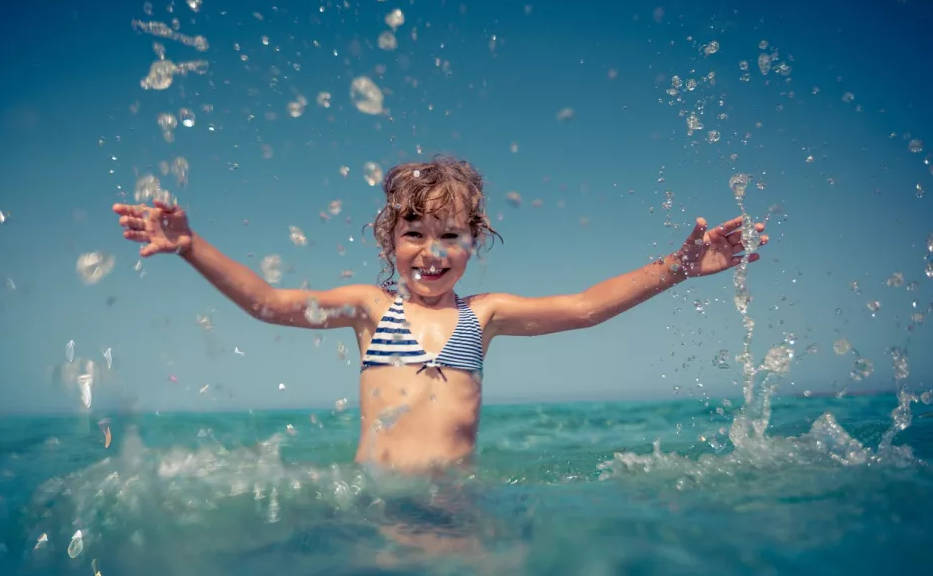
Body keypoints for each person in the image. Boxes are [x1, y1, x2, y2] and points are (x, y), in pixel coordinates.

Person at [113, 156, 767, 474]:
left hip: (455, 506)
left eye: (450, 235)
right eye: (415, 234)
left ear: (473, 242)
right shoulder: (372, 310)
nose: (431, 252)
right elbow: (269, 304)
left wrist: (679, 267)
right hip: (377, 501)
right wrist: (190, 247)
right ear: (389, 241)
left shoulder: (483, 316)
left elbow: (585, 307)